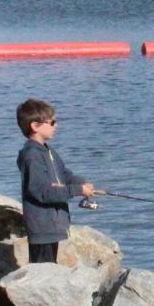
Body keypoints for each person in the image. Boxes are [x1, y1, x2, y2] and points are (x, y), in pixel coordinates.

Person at [16, 98, 101, 264]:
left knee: (50, 269)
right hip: (42, 227)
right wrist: (76, 191)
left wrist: (82, 184)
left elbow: (64, 174)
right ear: (35, 126)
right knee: (42, 273)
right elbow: (40, 191)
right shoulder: (32, 155)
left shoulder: (48, 151)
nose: (56, 125)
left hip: (52, 225)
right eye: (52, 122)